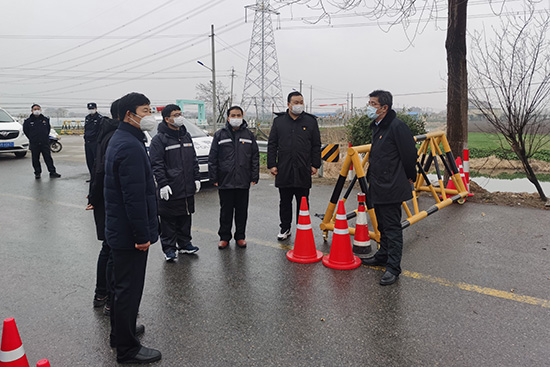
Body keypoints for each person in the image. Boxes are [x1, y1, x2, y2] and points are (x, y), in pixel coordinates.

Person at [104, 92, 161, 364]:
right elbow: (134, 197)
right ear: (129, 114)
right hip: (130, 234)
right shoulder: (130, 145)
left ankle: (120, 332)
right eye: (145, 110)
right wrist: (142, 236)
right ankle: (127, 349)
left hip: (119, 229)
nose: (150, 115)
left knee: (120, 287)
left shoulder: (123, 138)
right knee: (129, 290)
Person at [361, 90, 418, 286]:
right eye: (369, 103)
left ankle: (393, 267)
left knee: (393, 227)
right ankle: (382, 255)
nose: (369, 107)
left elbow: (410, 155)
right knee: (382, 225)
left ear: (384, 107)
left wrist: (412, 176)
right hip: (378, 184)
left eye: (373, 104)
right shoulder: (378, 126)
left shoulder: (397, 127)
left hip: (392, 185)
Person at [149, 104, 201, 262]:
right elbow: (156, 164)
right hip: (171, 186)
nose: (180, 117)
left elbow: (193, 159)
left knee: (185, 216)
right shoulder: (159, 140)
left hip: (186, 186)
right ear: (167, 119)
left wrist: (196, 177)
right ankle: (169, 248)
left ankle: (185, 243)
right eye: (176, 114)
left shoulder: (186, 136)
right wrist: (163, 183)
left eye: (180, 114)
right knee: (169, 219)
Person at [267, 91, 321, 241]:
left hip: (303, 168)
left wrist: (315, 164)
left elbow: (316, 145)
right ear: (288, 104)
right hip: (284, 168)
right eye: (296, 102)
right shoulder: (279, 122)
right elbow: (272, 144)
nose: (299, 105)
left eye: (301, 102)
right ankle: (285, 228)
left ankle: (303, 229)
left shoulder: (310, 121)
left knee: (303, 201)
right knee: (285, 201)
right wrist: (272, 164)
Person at [86, 99, 121, 315]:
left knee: (108, 248)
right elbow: (100, 170)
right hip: (111, 202)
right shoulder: (115, 137)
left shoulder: (107, 133)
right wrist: (94, 196)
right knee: (112, 250)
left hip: (105, 199)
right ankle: (109, 299)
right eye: (143, 111)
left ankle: (101, 294)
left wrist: (93, 196)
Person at [208, 106, 259, 249]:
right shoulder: (220, 135)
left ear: (242, 116)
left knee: (242, 211)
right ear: (228, 117)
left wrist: (254, 175)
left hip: (243, 180)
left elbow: (254, 157)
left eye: (238, 115)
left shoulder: (248, 135)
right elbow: (213, 158)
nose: (236, 118)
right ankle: (224, 237)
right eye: (233, 115)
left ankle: (240, 236)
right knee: (226, 212)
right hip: (225, 180)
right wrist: (214, 177)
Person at [22, 104, 61, 179]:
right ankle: (37, 173)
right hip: (34, 143)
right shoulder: (28, 121)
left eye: (38, 109)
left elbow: (48, 129)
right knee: (35, 159)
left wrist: (44, 137)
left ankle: (52, 172)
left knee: (48, 158)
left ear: (40, 110)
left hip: (44, 142)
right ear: (32, 111)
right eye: (35, 109)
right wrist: (32, 138)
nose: (36, 110)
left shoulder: (45, 119)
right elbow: (26, 131)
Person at [84, 102, 103, 180]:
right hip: (87, 142)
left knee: (96, 160)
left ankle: (97, 177)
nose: (91, 110)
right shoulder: (87, 118)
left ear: (96, 109)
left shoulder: (99, 118)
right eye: (89, 109)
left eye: (92, 109)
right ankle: (92, 176)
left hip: (95, 142)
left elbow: (100, 131)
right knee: (89, 160)